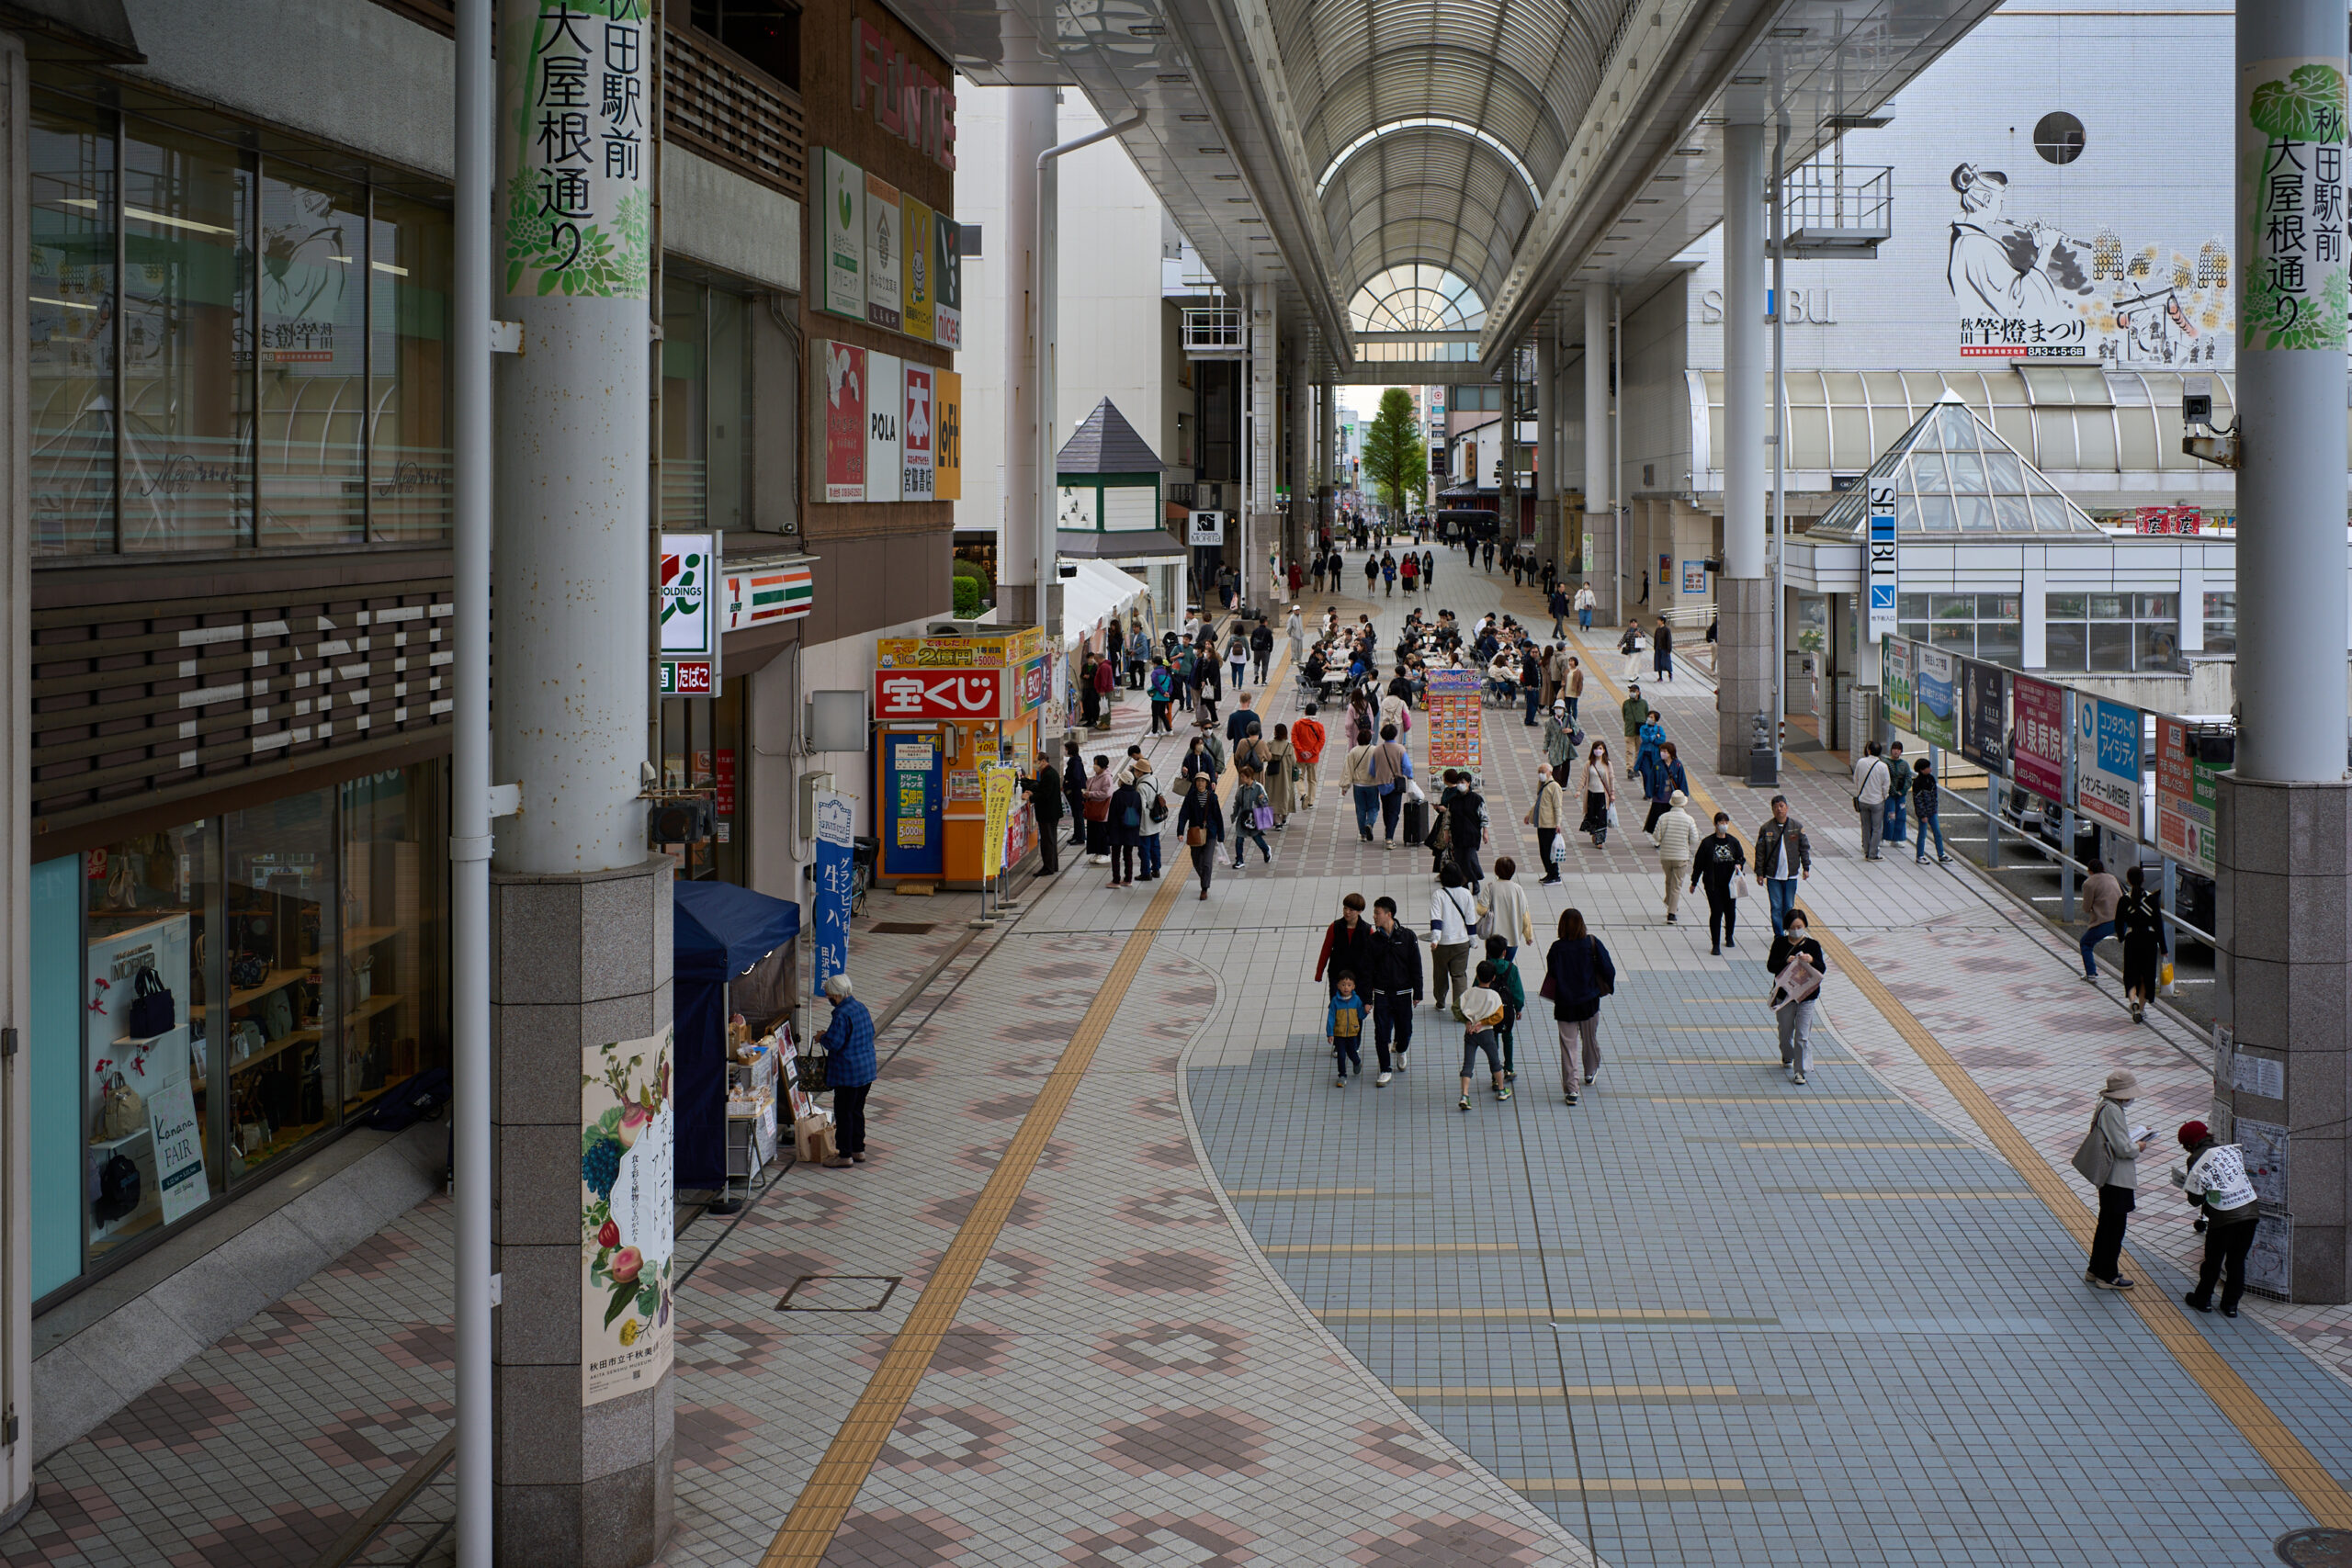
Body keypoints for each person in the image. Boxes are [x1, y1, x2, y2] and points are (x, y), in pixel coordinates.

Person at [2071, 1068, 2152, 1290]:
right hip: (2117, 1178)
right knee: (2114, 1229)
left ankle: (2096, 1269)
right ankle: (2107, 1275)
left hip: (2110, 1179)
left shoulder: (2105, 1106)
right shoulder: (2113, 1111)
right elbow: (2123, 1148)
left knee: (2106, 1225)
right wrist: (2139, 1146)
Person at [2176, 1121, 2260, 1317]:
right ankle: (2230, 1306)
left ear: (2189, 1144)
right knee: (2237, 1262)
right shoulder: (2227, 1151)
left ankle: (2203, 1300)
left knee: (2213, 1261)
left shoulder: (2196, 1158)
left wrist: (2186, 1185)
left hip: (2224, 1217)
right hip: (2249, 1212)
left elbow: (2195, 1199)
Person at [1545, 908, 1615, 1104]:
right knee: (1589, 1038)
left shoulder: (1557, 948)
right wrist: (1607, 987)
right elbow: (1608, 968)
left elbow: (1552, 971)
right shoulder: (1592, 943)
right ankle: (1590, 1072)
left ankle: (1571, 1090)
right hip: (1589, 1001)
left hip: (1565, 1004)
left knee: (1568, 1046)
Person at [817, 973, 876, 1168]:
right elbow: (870, 1032)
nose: (828, 998)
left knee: (844, 1113)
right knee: (857, 1110)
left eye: (828, 995)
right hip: (866, 1069)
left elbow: (834, 1043)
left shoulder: (841, 1014)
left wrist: (822, 1037)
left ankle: (844, 1155)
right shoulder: (861, 1007)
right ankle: (858, 1149)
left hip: (848, 1073)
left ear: (836, 994)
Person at [1363, 896, 1423, 1085]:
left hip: (1403, 994)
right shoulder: (1372, 941)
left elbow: (1416, 966)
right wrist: (1367, 999)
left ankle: (1401, 1049)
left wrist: (1418, 992)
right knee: (1381, 1033)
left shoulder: (1407, 936)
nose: (1374, 916)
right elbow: (1367, 971)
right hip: (1382, 995)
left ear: (1389, 914)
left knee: (1405, 1030)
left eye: (1377, 913)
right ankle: (1385, 1068)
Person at [1767, 910, 1828, 1084]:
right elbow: (1771, 966)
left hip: (1807, 996)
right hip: (1785, 997)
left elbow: (1822, 969)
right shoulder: (1779, 943)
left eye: (1799, 927)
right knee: (1785, 1031)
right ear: (1787, 927)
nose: (1796, 930)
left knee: (1802, 1035)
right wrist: (1786, 961)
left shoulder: (1813, 945)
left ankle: (1800, 1071)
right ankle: (1787, 1056)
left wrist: (1811, 960)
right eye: (1793, 927)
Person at [1455, 962, 1513, 1111]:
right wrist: (1483, 1022)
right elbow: (1499, 1015)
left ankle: (1465, 1095)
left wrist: (1467, 1021)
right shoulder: (1494, 996)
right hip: (1486, 1033)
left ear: (1477, 976)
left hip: (1470, 1033)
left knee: (1468, 1064)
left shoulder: (1469, 992)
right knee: (1495, 1062)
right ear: (1493, 978)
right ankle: (1501, 1090)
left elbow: (1456, 1008)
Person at [1753, 795, 1812, 938]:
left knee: (1788, 905)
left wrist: (1806, 867)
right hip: (1773, 875)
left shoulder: (1796, 827)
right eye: (1776, 807)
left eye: (1781, 806)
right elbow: (1760, 852)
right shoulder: (1766, 828)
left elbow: (1804, 848)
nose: (1779, 809)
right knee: (1776, 906)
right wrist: (1759, 873)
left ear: (1787, 807)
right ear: (1772, 810)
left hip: (1791, 875)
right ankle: (1779, 935)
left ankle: (1788, 932)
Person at [1692, 811, 1747, 954]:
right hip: (1713, 885)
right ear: (1715, 824)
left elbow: (1741, 857)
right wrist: (1694, 881)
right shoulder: (1707, 843)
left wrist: (1739, 864)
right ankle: (1715, 943)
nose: (1724, 825)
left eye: (1726, 823)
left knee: (1730, 912)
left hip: (1731, 885)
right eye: (1721, 822)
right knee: (1716, 913)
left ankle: (1729, 936)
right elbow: (1699, 863)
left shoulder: (1733, 842)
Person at [1429, 865, 1479, 1018]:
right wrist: (1473, 940)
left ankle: (1440, 1001)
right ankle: (1460, 1010)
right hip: (1462, 943)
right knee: (1459, 976)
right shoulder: (1466, 894)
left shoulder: (1438, 895)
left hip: (1442, 944)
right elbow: (1471, 920)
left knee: (1440, 974)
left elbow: (1436, 919)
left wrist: (1435, 939)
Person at [2118, 865, 2166, 1021]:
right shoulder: (2152, 899)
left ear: (2128, 880)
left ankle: (2133, 1002)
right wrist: (2164, 947)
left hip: (2132, 939)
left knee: (2131, 973)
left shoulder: (2124, 900)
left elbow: (2118, 922)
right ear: (2143, 879)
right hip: (2149, 940)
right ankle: (2141, 1007)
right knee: (2146, 975)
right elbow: (2158, 925)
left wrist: (2121, 937)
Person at [1175, 772, 1225, 899]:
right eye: (1198, 781)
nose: (1200, 783)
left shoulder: (1212, 798)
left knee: (1207, 862)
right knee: (1196, 860)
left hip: (1210, 833)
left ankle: (1204, 888)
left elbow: (1218, 817)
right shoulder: (1190, 797)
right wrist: (1180, 831)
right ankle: (1205, 879)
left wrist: (1221, 835)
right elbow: (1183, 814)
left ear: (1207, 783)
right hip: (1195, 833)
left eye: (1203, 781)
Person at [1316, 892, 1376, 996]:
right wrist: (1319, 972)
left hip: (1359, 977)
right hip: (1337, 975)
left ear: (1360, 911)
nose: (1347, 912)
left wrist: (1374, 980)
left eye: (1351, 910)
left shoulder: (1367, 930)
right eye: (1345, 908)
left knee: (1357, 1004)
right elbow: (1326, 950)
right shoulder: (1334, 927)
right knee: (1337, 1003)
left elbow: (1373, 957)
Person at [1654, 789, 1699, 924]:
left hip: (1665, 856)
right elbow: (1694, 839)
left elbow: (1656, 836)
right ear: (1683, 804)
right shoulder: (1689, 819)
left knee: (1669, 880)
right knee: (1676, 885)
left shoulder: (1663, 817)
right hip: (1681, 856)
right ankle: (1671, 913)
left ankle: (1669, 901)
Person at [1484, 933, 1525, 1080]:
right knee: (1508, 1037)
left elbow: (1477, 987)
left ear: (1488, 951)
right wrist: (1518, 1008)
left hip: (1490, 1010)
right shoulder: (1511, 968)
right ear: (1505, 952)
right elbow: (1517, 991)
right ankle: (1509, 1068)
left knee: (1493, 1039)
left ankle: (1496, 1073)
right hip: (1507, 1010)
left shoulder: (1485, 968)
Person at [1480, 856, 1536, 961]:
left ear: (1496, 871)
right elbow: (1525, 915)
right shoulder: (1518, 889)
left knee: (1491, 966)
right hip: (1513, 937)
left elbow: (1481, 909)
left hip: (1494, 938)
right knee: (1507, 966)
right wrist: (1528, 936)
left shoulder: (1491, 887)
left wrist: (1488, 913)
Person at [2078, 859, 2121, 980]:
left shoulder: (2089, 883)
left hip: (2105, 921)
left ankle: (2091, 973)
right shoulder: (2112, 877)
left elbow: (2086, 908)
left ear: (2090, 871)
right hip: (2121, 919)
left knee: (2086, 943)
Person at [1023, 755, 1066, 876]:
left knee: (1047, 841)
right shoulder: (1049, 772)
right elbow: (1044, 791)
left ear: (1043, 761)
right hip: (1052, 813)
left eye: (1035, 761)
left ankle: (1048, 867)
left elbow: (1045, 795)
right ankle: (1053, 865)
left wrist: (1030, 797)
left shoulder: (1048, 774)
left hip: (1048, 813)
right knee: (1051, 840)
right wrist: (1033, 792)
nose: (1034, 764)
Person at [1850, 741, 1893, 861]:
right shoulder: (1883, 766)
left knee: (1865, 826)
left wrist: (1859, 791)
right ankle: (1873, 853)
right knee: (1877, 828)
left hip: (1863, 799)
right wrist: (1884, 796)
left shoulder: (1861, 762)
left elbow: (1856, 779)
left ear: (1869, 751)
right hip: (1877, 801)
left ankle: (1866, 850)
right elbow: (1886, 784)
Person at [1526, 765, 1566, 884]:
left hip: (1549, 825)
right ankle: (1549, 873)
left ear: (1550, 772)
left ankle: (1555, 875)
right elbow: (1538, 802)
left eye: (1543, 772)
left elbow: (1557, 806)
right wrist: (1529, 814)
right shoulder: (1542, 784)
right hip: (1541, 823)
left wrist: (1558, 823)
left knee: (1549, 851)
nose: (1541, 774)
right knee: (1543, 851)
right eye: (1539, 772)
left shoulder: (1554, 786)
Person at [1639, 739, 1688, 838]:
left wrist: (1684, 795)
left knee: (1672, 820)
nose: (1663, 753)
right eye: (1662, 751)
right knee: (1658, 819)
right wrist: (1649, 793)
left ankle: (1669, 836)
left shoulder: (1677, 765)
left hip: (1673, 798)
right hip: (1659, 797)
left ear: (1670, 753)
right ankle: (1658, 837)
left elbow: (1682, 780)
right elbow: (1651, 780)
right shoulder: (1657, 764)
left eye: (1665, 751)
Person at [1229, 764, 1273, 870]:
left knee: (1256, 837)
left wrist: (1262, 800)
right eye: (1241, 776)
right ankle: (1239, 860)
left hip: (1255, 818)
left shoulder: (1258, 787)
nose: (1242, 779)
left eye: (1243, 776)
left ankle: (1266, 849)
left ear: (1249, 776)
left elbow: (1265, 803)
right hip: (1243, 817)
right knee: (1239, 838)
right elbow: (1237, 803)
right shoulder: (1241, 789)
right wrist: (1234, 815)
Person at [1373, 723, 1409, 845]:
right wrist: (1409, 776)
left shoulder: (1377, 750)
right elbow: (1407, 767)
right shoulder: (1400, 749)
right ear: (1395, 734)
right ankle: (1389, 837)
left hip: (1382, 784)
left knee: (1386, 809)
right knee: (1394, 812)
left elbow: (1371, 770)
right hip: (1395, 785)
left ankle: (1388, 831)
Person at [1328, 974, 1368, 1087]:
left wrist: (1365, 1011)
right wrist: (1330, 1033)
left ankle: (1357, 1062)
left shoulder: (1356, 1000)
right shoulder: (1335, 1001)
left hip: (1352, 1033)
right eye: (1343, 985)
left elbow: (1360, 1015)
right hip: (1339, 1034)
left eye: (1349, 985)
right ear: (1338, 986)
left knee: (1352, 1053)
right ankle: (1342, 1075)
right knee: (1341, 1055)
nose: (1346, 987)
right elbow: (1331, 1018)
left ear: (1354, 986)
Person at [1107, 762, 1142, 888]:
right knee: (1128, 855)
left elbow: (1112, 814)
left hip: (1117, 829)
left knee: (1115, 855)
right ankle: (1128, 879)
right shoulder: (1136, 795)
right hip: (1131, 829)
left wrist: (1109, 830)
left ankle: (1116, 880)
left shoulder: (1117, 795)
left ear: (1123, 782)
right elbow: (1140, 812)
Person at [1131, 754, 1166, 882]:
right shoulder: (1155, 780)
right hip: (1156, 820)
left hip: (1145, 824)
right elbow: (1161, 796)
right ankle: (1156, 869)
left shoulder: (1141, 786)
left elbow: (1141, 807)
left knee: (1144, 849)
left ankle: (1146, 873)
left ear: (1140, 772)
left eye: (1136, 770)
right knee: (1155, 846)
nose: (1135, 772)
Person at [1910, 755, 1950, 863]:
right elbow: (1918, 800)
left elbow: (1934, 795)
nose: (1930, 769)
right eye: (1927, 767)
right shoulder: (1917, 782)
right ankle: (1920, 855)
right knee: (1922, 834)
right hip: (1924, 813)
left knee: (1937, 832)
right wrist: (1922, 815)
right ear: (1922, 770)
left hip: (1932, 811)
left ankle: (1941, 854)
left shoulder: (1931, 779)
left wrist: (1935, 808)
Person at [1345, 728, 1382, 842]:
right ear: (1370, 739)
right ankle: (1369, 823)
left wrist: (1345, 786)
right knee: (1374, 807)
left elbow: (1348, 769)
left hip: (1358, 785)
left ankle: (1362, 834)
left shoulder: (1353, 751)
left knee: (1360, 809)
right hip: (1372, 784)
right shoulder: (1375, 750)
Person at [1579, 740, 1617, 848]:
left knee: (1601, 816)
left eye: (1600, 748)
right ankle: (1594, 834)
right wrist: (1578, 790)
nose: (1598, 751)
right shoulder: (1589, 763)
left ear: (1604, 750)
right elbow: (1583, 777)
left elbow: (1611, 778)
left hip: (1602, 795)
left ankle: (1600, 840)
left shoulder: (1608, 764)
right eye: (1596, 748)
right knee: (1592, 815)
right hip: (1591, 794)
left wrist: (1612, 793)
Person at [1263, 723, 1299, 828]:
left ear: (1276, 732)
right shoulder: (1289, 746)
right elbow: (1294, 762)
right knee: (1285, 796)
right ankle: (1283, 817)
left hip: (1272, 775)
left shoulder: (1270, 744)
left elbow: (1265, 758)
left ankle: (1276, 820)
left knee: (1272, 796)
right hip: (1286, 777)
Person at [1291, 704, 1326, 806]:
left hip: (1300, 757)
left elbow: (1294, 739)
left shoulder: (1297, 724)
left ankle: (1303, 793)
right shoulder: (1319, 726)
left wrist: (1301, 751)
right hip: (1313, 758)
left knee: (1299, 777)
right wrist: (1312, 752)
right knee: (1312, 780)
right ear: (1315, 713)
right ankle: (1311, 801)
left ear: (1305, 711)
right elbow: (1322, 741)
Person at [1062, 739, 1090, 849]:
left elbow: (1076, 778)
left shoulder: (1075, 762)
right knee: (1076, 815)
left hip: (1077, 794)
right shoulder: (1074, 761)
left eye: (1066, 749)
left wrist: (1068, 785)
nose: (1065, 751)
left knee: (1078, 815)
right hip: (1076, 793)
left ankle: (1080, 837)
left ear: (1070, 750)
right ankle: (1077, 835)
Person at [1881, 739, 1908, 846]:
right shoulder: (1886, 763)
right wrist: (1893, 790)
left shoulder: (1904, 764)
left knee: (1901, 817)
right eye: (1894, 749)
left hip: (1901, 795)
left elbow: (1908, 778)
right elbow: (1886, 778)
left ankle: (1896, 839)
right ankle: (1884, 837)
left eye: (1898, 749)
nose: (1896, 751)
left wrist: (1903, 790)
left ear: (1901, 751)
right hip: (1889, 794)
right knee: (1889, 816)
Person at [1620, 683, 1648, 778]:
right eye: (1630, 691)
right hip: (1629, 730)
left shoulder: (1643, 703)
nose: (1631, 693)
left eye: (1633, 691)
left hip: (1640, 731)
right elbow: (1624, 716)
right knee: (1629, 751)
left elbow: (1646, 714)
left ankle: (1636, 768)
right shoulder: (1626, 703)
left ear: (1638, 692)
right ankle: (1629, 769)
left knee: (1639, 750)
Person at [1250, 616, 1274, 683]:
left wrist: (1252, 648)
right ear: (1265, 622)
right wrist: (1270, 649)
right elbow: (1271, 642)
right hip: (1265, 650)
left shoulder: (1255, 631)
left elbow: (1251, 639)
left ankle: (1256, 674)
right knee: (1265, 665)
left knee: (1256, 663)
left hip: (1256, 650)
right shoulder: (1268, 631)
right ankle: (1263, 680)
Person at [1652, 616, 1675, 682]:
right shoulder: (1657, 629)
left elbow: (1669, 640)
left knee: (1666, 662)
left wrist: (1669, 649)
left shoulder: (1667, 630)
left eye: (1659, 620)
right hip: (1658, 648)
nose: (1657, 621)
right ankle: (1660, 677)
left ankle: (1670, 674)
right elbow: (1655, 639)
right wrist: (1655, 647)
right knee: (1658, 662)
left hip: (1664, 648)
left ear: (1662, 621)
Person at [1227, 628, 1250, 693]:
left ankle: (1234, 686)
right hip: (1241, 657)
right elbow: (1247, 648)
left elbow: (1228, 647)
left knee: (1234, 671)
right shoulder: (1244, 638)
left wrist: (1225, 657)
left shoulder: (1232, 638)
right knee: (1240, 673)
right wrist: (1248, 657)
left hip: (1233, 657)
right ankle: (1239, 686)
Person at [1285, 605, 1305, 670]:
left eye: (1298, 610)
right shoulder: (1291, 618)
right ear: (1293, 611)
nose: (1297, 611)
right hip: (1294, 636)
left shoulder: (1300, 616)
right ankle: (1294, 659)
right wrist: (1290, 634)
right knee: (1294, 648)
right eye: (1296, 610)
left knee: (1300, 648)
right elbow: (1289, 627)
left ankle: (1299, 658)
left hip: (1300, 635)